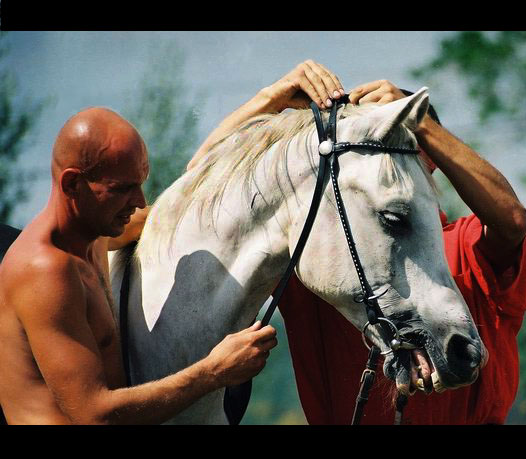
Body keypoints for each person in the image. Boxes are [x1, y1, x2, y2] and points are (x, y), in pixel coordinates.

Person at [0, 61, 345, 425]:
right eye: (122, 189)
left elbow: (191, 194)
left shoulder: (95, 234)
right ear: (73, 185)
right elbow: (93, 415)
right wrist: (215, 371)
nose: (137, 201)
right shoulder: (46, 271)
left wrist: (268, 100)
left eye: (140, 183)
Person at [277, 80, 526, 424]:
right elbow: (205, 196)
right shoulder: (317, 257)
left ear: (431, 156)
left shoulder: (469, 246)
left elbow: (513, 221)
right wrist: (271, 99)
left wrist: (420, 122)